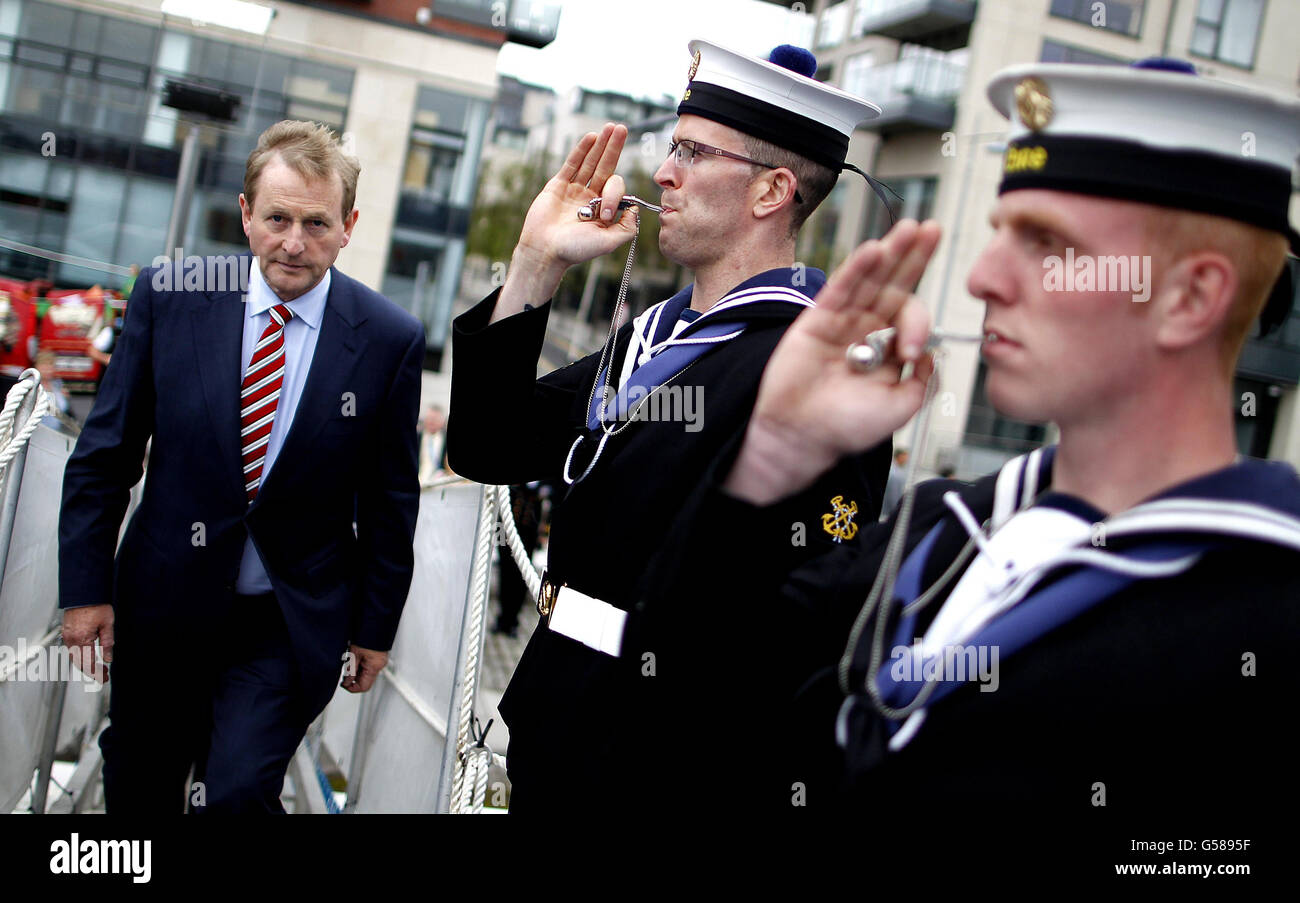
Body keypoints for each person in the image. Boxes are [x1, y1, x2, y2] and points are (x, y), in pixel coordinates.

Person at [636, 58, 1300, 816]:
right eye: (1000, 234)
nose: (983, 276)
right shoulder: (943, 528)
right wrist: (774, 454)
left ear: (1190, 297)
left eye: (1048, 244)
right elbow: (677, 705)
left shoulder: (1270, 620)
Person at [447, 40, 895, 810]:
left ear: (771, 192)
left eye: (690, 151)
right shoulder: (657, 337)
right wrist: (533, 265)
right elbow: (487, 446)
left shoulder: (819, 366)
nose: (661, 172)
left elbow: (804, 617)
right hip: (557, 731)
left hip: (669, 772)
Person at [58, 120, 426, 814]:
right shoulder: (170, 297)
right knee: (138, 778)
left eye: (316, 223)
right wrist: (84, 590)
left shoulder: (388, 340)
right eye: (278, 217)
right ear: (246, 214)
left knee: (235, 793)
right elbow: (104, 455)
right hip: (162, 602)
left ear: (348, 225)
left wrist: (375, 627)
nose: (294, 241)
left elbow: (389, 500)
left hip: (285, 622)